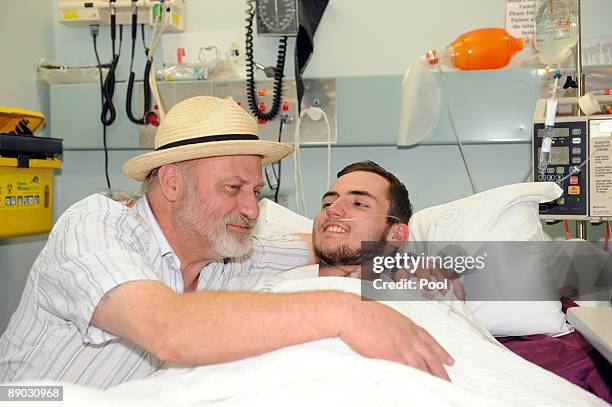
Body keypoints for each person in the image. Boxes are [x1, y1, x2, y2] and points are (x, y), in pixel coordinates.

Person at [0, 97, 452, 389]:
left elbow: (332, 246)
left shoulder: (231, 251)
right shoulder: (93, 229)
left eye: (255, 192)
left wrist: (409, 258)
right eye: (233, 189)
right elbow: (169, 330)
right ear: (173, 183)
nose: (253, 211)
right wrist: (348, 312)